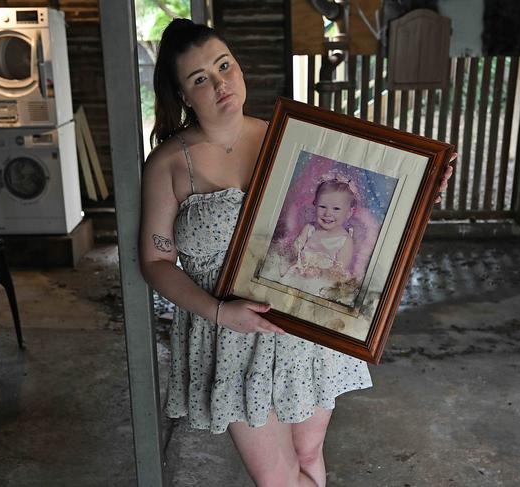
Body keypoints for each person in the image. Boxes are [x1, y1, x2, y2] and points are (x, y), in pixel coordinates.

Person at [139, 18, 455, 487]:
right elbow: (156, 262)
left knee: (308, 457)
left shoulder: (292, 139)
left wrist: (419, 191)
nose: (221, 83)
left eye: (225, 65)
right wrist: (221, 313)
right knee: (278, 479)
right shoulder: (168, 162)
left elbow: (356, 209)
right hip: (229, 337)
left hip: (304, 329)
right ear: (184, 95)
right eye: (200, 78)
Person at [275, 175, 360, 305]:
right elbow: (295, 249)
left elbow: (339, 272)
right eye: (322, 206)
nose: (327, 213)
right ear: (314, 204)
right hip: (299, 271)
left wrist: (320, 272)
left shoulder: (345, 240)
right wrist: (297, 256)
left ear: (349, 212)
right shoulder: (310, 228)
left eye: (336, 208)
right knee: (280, 279)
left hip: (322, 283)